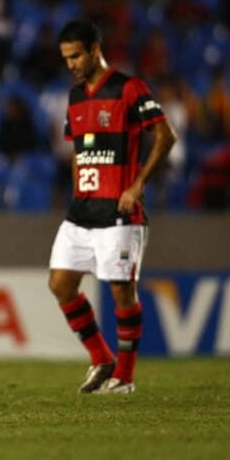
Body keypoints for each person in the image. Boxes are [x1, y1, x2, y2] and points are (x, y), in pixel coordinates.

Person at [47, 20, 176, 394]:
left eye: (75, 56)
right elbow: (77, 152)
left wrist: (137, 185)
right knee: (60, 284)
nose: (70, 63)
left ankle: (126, 377)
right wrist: (76, 192)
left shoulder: (128, 88)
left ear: (93, 49)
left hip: (119, 212)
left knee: (122, 291)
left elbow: (166, 135)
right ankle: (102, 358)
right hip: (83, 211)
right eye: (65, 58)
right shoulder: (75, 98)